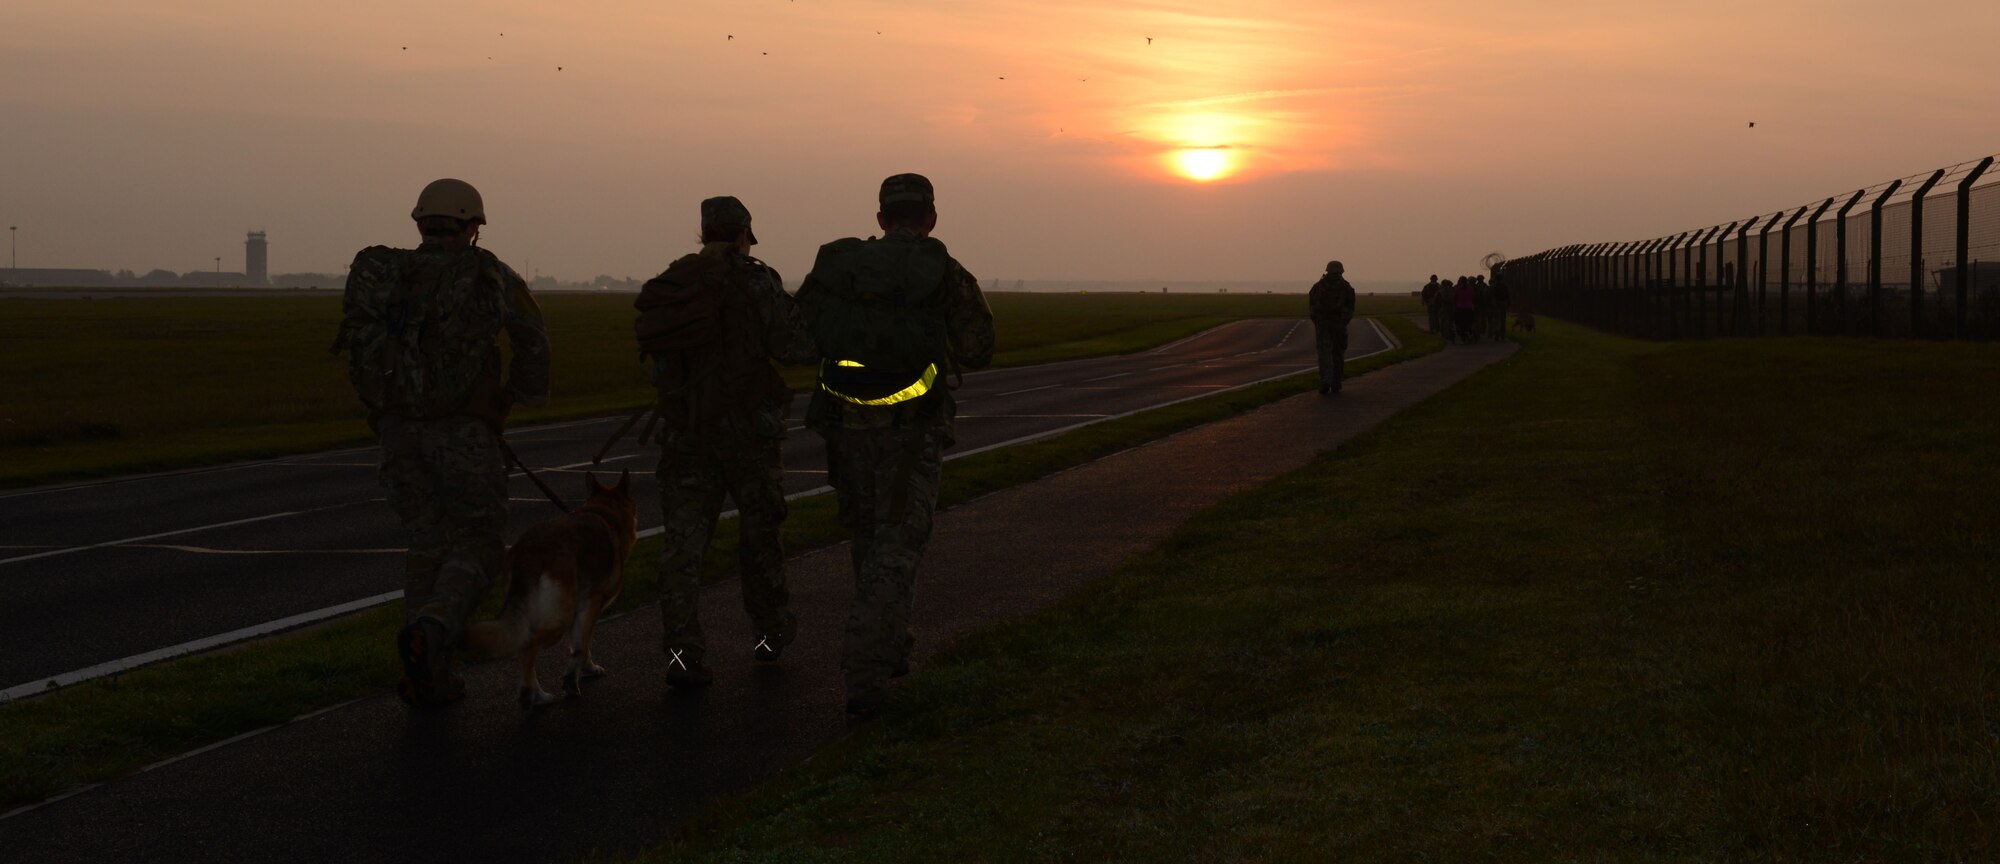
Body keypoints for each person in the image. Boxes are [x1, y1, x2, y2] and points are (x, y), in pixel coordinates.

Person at [333, 178, 551, 707]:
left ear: (420, 223)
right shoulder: (490, 273)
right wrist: (514, 396)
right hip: (463, 433)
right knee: (478, 543)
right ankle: (434, 628)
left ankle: (426, 675)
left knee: (427, 546)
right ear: (472, 226)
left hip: (397, 433)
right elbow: (532, 336)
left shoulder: (386, 275)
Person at [795, 173, 994, 717]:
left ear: (881, 219)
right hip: (910, 427)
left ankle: (890, 645)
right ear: (930, 217)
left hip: (845, 425)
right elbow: (978, 348)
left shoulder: (845, 267)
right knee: (898, 545)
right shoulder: (944, 272)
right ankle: (866, 675)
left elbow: (798, 338)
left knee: (868, 538)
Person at [636, 196, 818, 688]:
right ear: (744, 233)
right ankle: (767, 638)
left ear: (704, 232)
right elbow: (796, 348)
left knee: (683, 547)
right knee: (760, 539)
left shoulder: (679, 279)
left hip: (687, 433)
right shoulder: (758, 280)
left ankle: (680, 657)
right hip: (749, 435)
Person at [1308, 261, 1356, 394]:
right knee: (1338, 354)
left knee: (1324, 354)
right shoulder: (1346, 287)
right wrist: (1343, 322)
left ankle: (1325, 381)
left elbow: (1312, 307)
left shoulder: (1318, 286)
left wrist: (1318, 322)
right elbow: (1351, 308)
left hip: (1324, 325)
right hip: (1338, 325)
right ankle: (1336, 381)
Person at [1454, 276, 1479, 344]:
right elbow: (1474, 298)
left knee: (1460, 322)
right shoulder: (1471, 289)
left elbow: (1455, 299)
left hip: (1460, 308)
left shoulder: (1457, 289)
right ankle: (1470, 332)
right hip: (1469, 308)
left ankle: (1463, 334)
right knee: (1469, 322)